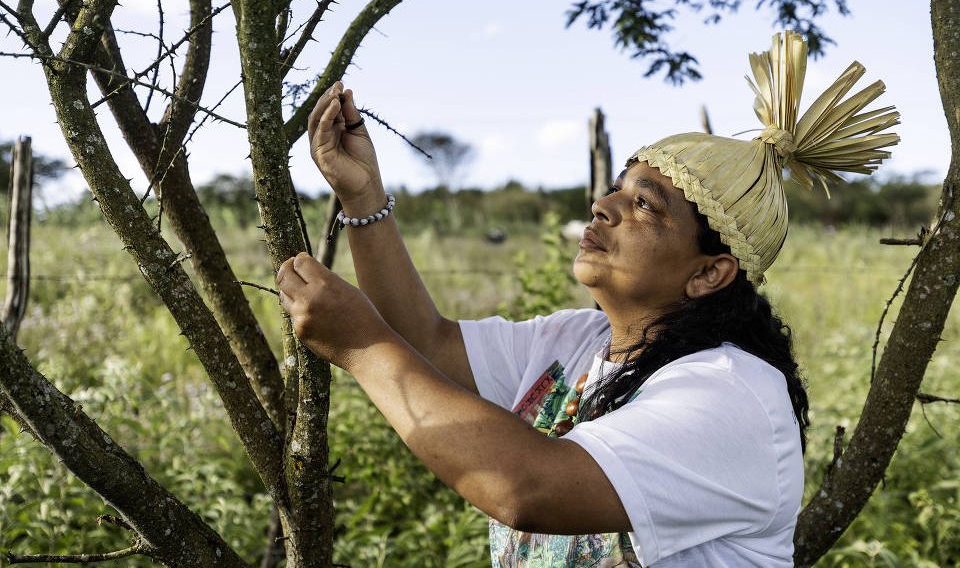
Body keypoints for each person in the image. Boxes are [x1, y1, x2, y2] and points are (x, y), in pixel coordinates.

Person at [276, 31, 900, 567]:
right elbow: (427, 343)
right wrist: (362, 197)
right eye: (618, 189)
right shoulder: (578, 341)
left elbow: (527, 488)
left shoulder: (730, 394)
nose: (604, 206)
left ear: (710, 273)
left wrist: (361, 345)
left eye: (646, 204)